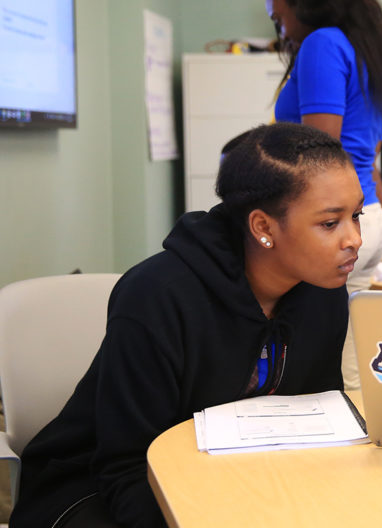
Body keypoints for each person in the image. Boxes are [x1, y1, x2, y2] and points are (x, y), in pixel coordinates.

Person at [10, 123, 362, 527]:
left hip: (232, 476)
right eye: (330, 223)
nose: (353, 238)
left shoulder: (322, 289)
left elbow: (316, 423)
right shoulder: (157, 296)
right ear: (263, 227)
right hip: (102, 487)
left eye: (357, 215)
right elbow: (125, 464)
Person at [265, 0, 382, 388]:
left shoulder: (323, 43)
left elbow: (320, 155)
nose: (281, 31)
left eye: (280, 17)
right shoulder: (370, 48)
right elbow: (366, 159)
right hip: (366, 222)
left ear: (302, 1)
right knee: (352, 368)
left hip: (332, 223)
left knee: (319, 370)